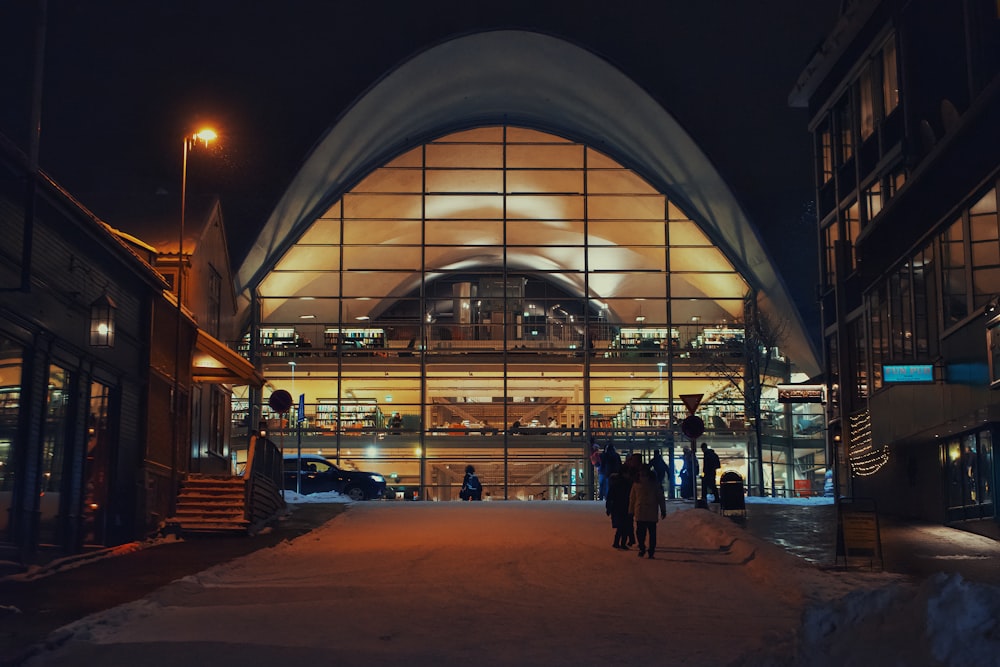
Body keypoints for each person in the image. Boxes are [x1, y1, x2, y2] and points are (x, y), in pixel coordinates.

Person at [628, 465, 666, 558]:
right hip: (648, 511)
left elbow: (632, 499)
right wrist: (663, 509)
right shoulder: (654, 483)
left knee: (642, 532)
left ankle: (643, 548)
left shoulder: (637, 483)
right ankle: (649, 549)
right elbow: (632, 498)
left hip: (642, 510)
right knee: (649, 532)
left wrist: (631, 511)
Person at [605, 470, 633, 549]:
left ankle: (617, 542)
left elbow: (610, 498)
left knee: (621, 526)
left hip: (617, 508)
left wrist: (608, 508)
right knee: (624, 527)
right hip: (624, 507)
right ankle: (621, 543)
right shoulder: (628, 484)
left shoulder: (615, 484)